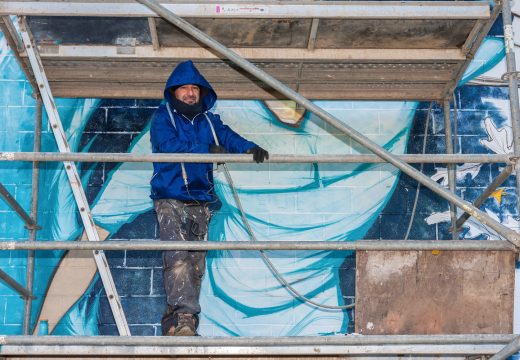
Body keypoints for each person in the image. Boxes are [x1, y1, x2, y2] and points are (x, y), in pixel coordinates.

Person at [150, 60, 269, 336]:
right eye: (185, 89)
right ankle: (183, 321)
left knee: (195, 265)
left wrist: (251, 149)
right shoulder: (163, 118)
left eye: (195, 89)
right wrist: (208, 148)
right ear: (174, 92)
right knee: (178, 257)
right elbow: (169, 147)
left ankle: (180, 321)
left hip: (200, 200)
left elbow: (229, 138)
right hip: (170, 197)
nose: (191, 93)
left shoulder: (208, 122)